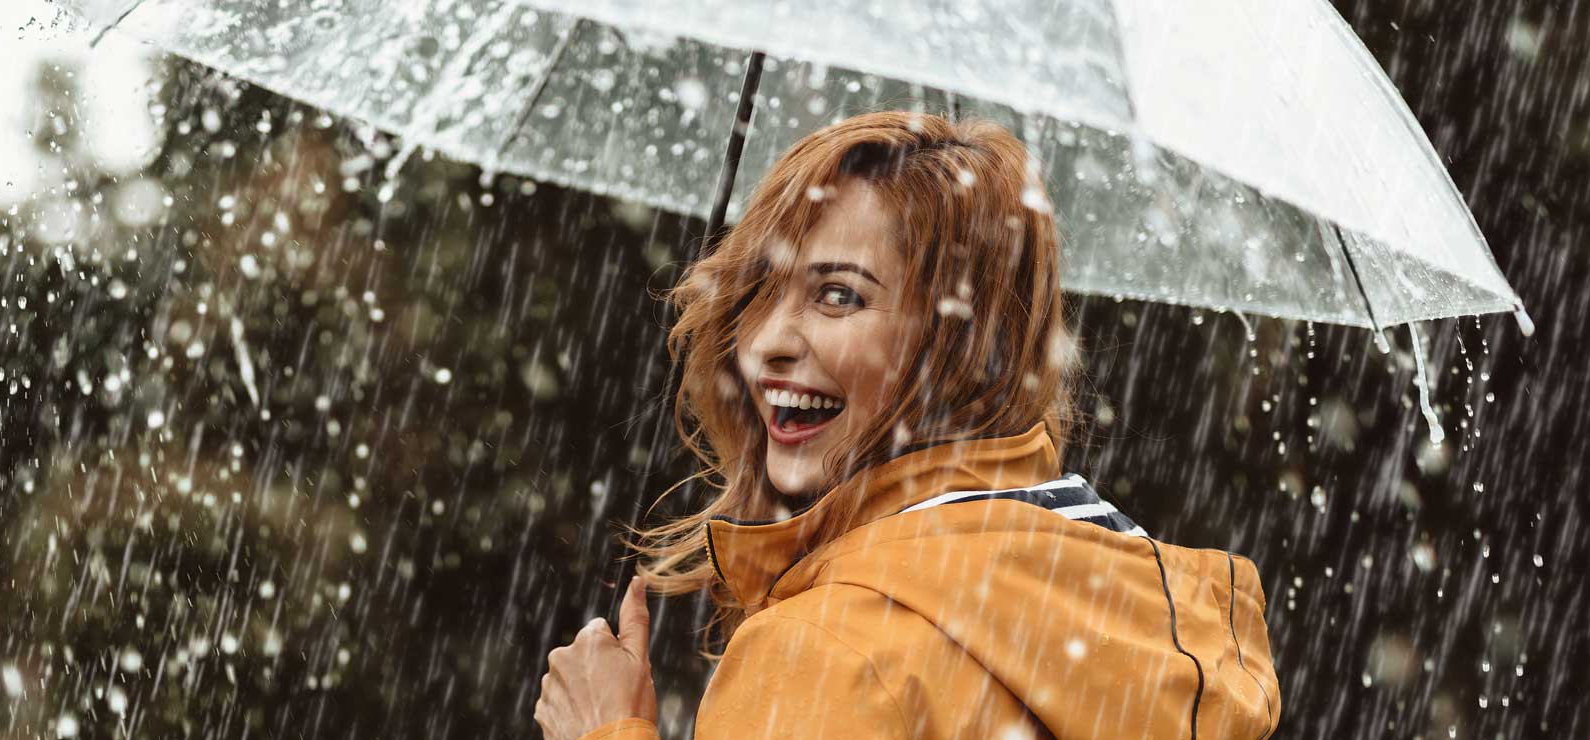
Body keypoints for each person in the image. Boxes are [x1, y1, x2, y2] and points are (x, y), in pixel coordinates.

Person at [532, 111, 1281, 739]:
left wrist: (608, 729)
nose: (765, 342)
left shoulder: (830, 650)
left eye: (839, 296)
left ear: (959, 343)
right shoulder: (1129, 617)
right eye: (760, 289)